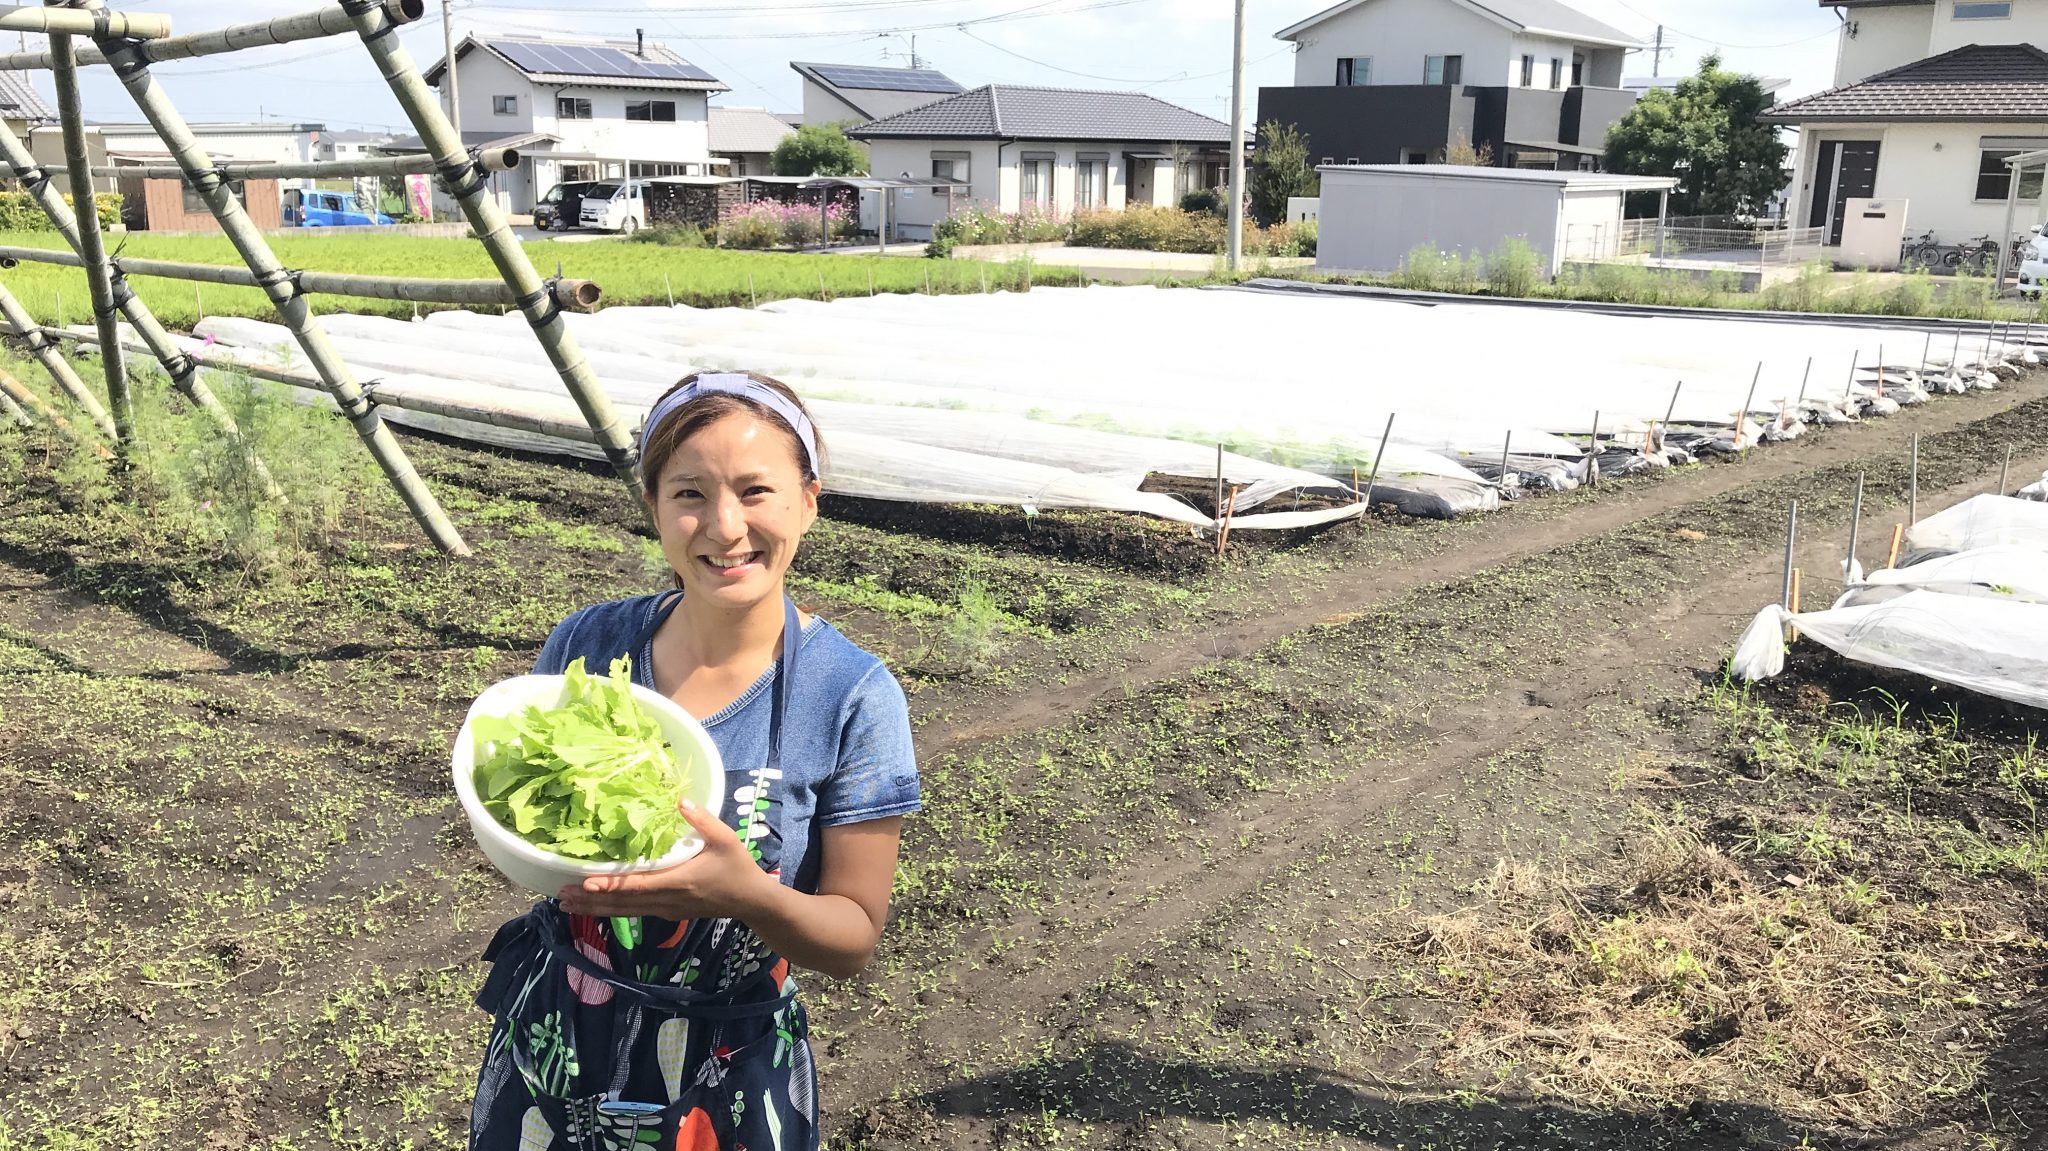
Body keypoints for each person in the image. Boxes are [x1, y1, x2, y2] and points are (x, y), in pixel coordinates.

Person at [467, 371, 920, 1151]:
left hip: (726, 1073)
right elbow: (530, 813)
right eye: (689, 494)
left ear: (808, 501)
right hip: (558, 1042)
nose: (724, 524)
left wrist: (749, 896)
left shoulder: (851, 695)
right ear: (653, 508)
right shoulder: (588, 644)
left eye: (755, 490)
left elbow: (854, 935)